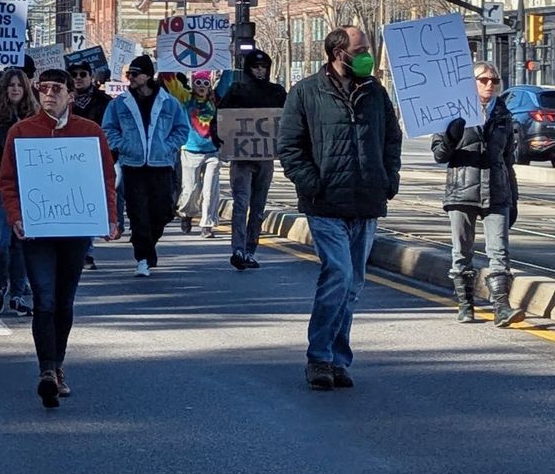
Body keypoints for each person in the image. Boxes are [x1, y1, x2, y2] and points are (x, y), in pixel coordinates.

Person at [277, 26, 402, 391]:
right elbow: (290, 147)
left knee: (353, 284)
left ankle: (337, 359)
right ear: (338, 52)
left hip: (366, 202)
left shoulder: (376, 93)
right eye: (361, 49)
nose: (368, 55)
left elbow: (391, 140)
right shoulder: (305, 92)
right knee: (339, 275)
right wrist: (313, 183)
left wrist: (388, 178)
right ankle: (319, 357)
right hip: (326, 204)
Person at [0, 68, 120, 409]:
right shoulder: (21, 131)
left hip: (76, 230)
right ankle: (47, 371)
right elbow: (7, 181)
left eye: (57, 89)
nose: (49, 94)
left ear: (70, 94)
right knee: (45, 300)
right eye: (43, 88)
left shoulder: (90, 132)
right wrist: (16, 215)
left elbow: (106, 179)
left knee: (64, 302)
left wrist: (109, 217)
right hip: (38, 231)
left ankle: (59, 364)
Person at [433, 61, 522, 326]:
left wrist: (513, 196)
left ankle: (501, 307)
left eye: (494, 81)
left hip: (496, 191)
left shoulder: (504, 115)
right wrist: (451, 134)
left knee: (500, 252)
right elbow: (440, 154)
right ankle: (465, 304)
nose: (489, 85)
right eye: (483, 80)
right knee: (462, 251)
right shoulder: (452, 111)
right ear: (471, 83)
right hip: (462, 191)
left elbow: (508, 160)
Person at [100, 55, 188, 277]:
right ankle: (143, 257)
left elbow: (182, 129)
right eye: (129, 74)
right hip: (133, 165)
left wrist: (167, 146)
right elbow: (108, 129)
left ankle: (149, 247)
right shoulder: (119, 103)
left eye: (135, 74)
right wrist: (122, 145)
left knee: (162, 212)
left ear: (148, 76)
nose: (130, 77)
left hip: (161, 164)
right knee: (138, 213)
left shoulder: (169, 102)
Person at [214, 51, 288, 270]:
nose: (260, 71)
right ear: (248, 69)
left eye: (263, 67)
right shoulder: (236, 91)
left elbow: (288, 119)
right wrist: (222, 142)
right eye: (256, 67)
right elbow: (220, 119)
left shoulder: (276, 92)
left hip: (265, 157)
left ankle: (249, 249)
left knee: (258, 207)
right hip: (241, 157)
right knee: (241, 203)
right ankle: (238, 248)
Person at [0, 68, 36, 315]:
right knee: (0, 241)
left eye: (19, 86)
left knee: (20, 240)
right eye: (10, 85)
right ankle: (0, 285)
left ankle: (18, 294)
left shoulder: (35, 118)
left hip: (26, 186)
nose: (15, 89)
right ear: (3, 88)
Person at [166, 70, 226, 236]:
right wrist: (167, 61)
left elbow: (228, 78)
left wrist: (229, 56)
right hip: (190, 151)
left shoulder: (215, 100)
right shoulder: (185, 99)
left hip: (212, 151)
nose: (202, 87)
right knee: (191, 189)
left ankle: (207, 224)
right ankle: (187, 214)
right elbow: (171, 82)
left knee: (210, 190)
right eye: (198, 83)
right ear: (193, 84)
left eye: (205, 83)